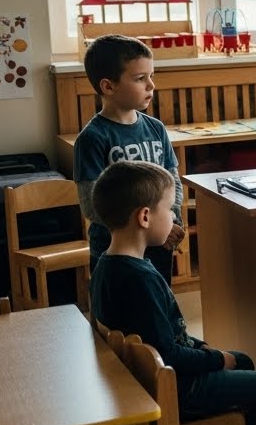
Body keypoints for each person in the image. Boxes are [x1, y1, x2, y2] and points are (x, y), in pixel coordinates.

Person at [89, 160, 256, 425]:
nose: (173, 218)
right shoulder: (139, 278)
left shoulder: (109, 266)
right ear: (144, 217)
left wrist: (208, 351)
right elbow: (169, 353)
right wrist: (216, 358)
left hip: (148, 383)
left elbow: (164, 329)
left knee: (242, 362)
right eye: (169, 210)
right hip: (172, 388)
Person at [75, 33, 184, 283]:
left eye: (151, 76)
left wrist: (171, 220)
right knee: (119, 315)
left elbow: (173, 181)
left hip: (158, 241)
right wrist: (139, 229)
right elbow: (91, 204)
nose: (151, 85)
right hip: (115, 250)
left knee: (157, 306)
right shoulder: (92, 138)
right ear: (108, 86)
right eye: (139, 79)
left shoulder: (156, 128)